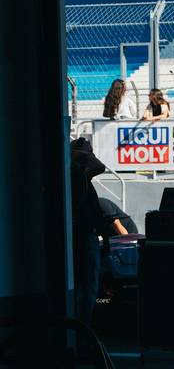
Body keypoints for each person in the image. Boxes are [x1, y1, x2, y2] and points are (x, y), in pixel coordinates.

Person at [70, 138, 106, 324]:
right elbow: (99, 166)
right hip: (84, 236)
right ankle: (84, 326)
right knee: (88, 285)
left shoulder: (80, 176)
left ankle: (81, 325)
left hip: (81, 234)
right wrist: (82, 152)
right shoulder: (77, 174)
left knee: (83, 286)